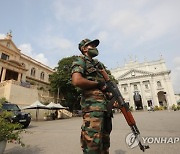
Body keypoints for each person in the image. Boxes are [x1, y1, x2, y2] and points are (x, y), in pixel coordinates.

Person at [71, 39, 112, 154]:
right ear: (84, 49)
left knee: (105, 142)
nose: (95, 47)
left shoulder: (99, 65)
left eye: (95, 45)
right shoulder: (80, 60)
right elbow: (77, 81)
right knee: (92, 144)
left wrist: (112, 97)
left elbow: (107, 85)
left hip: (105, 109)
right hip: (92, 109)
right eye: (91, 45)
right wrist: (98, 84)